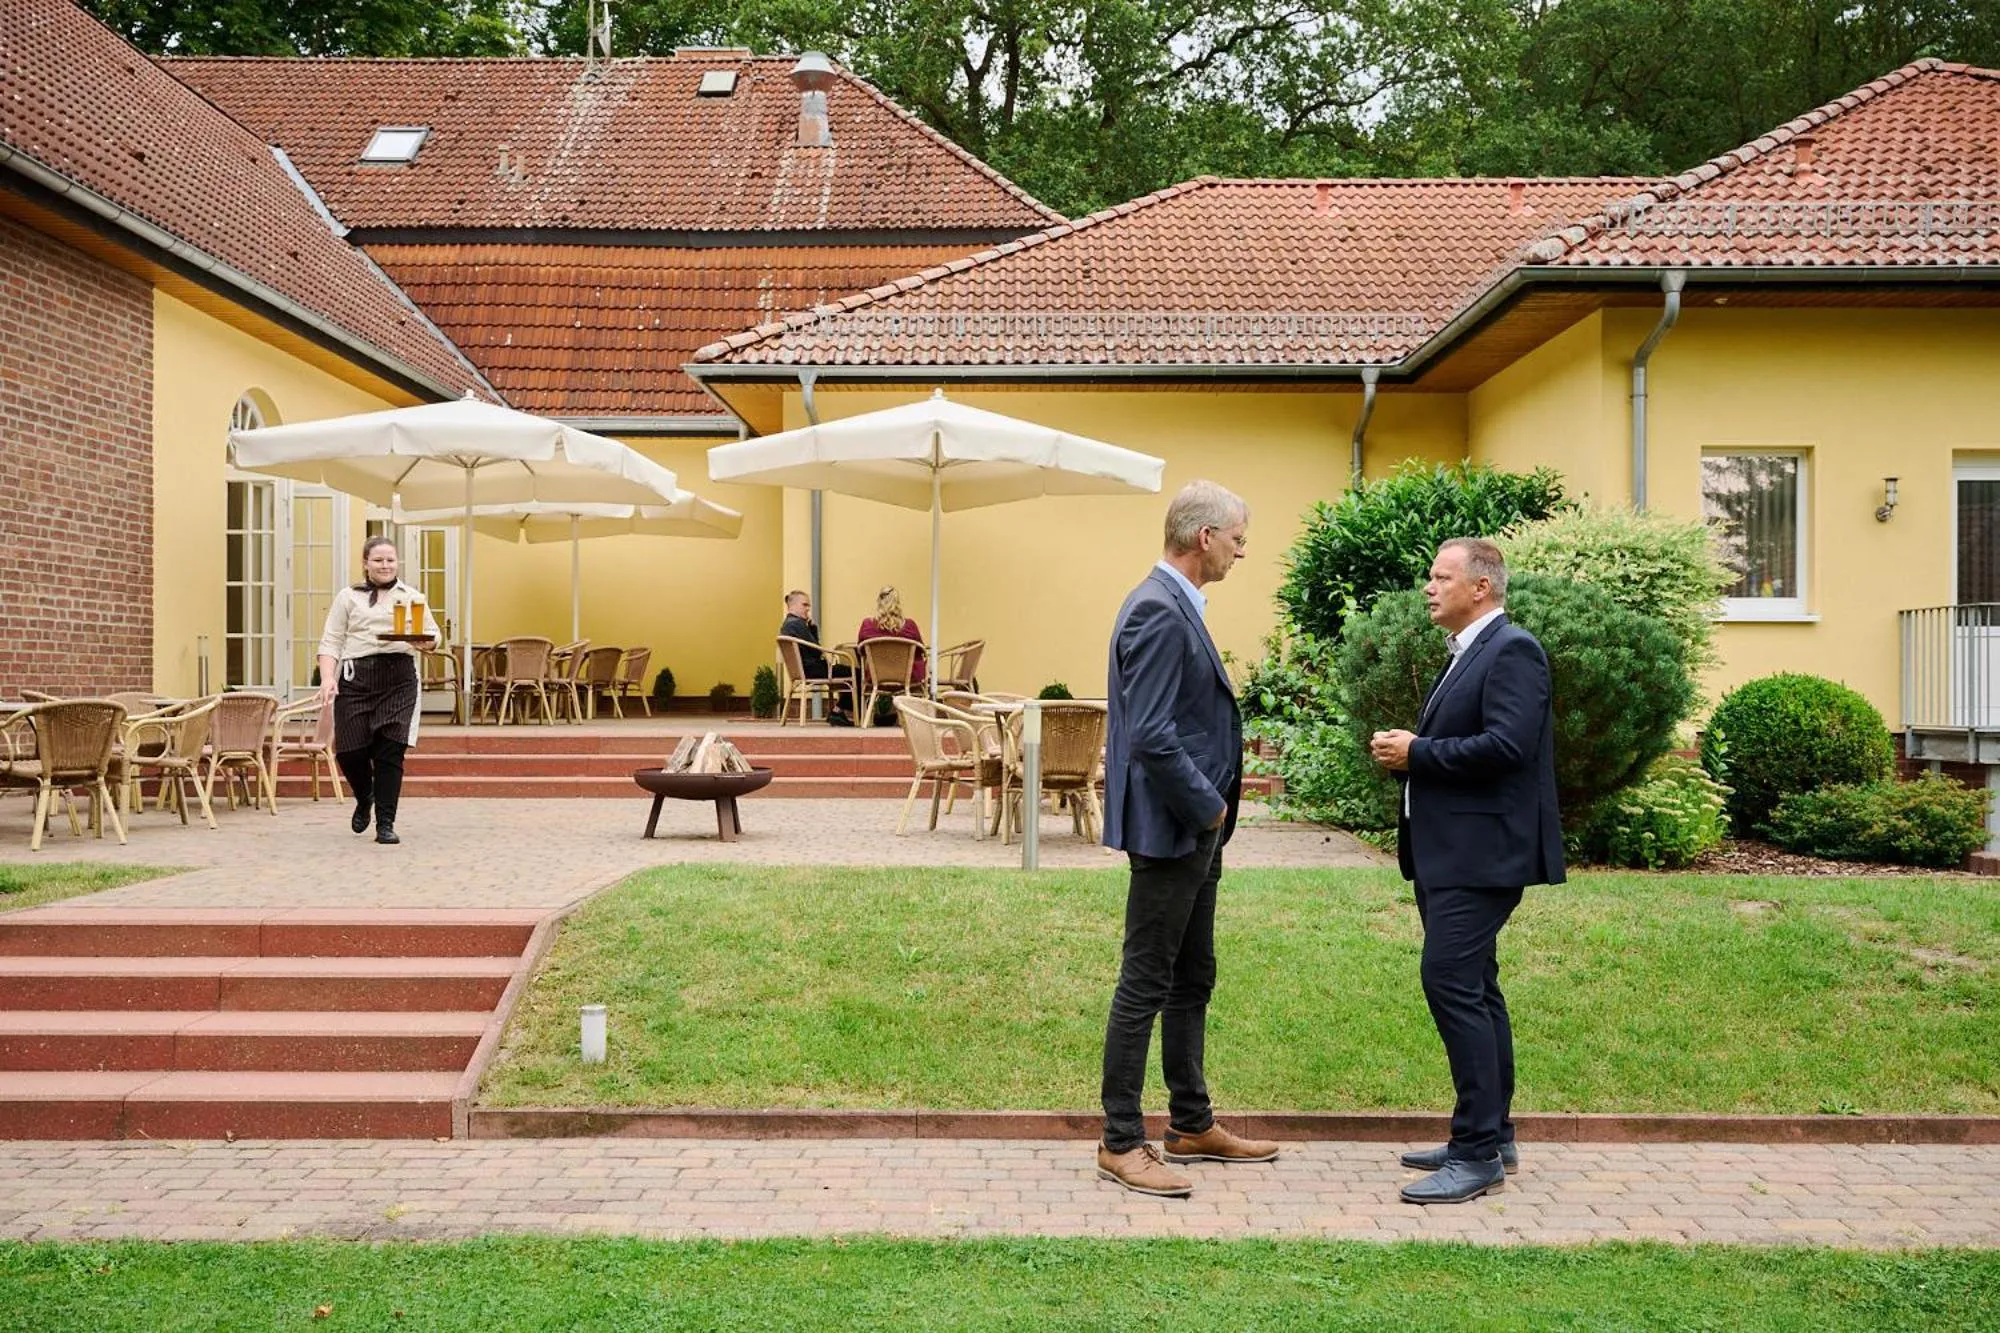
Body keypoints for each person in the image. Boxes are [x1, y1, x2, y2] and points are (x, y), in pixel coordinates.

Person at [1095, 479, 1279, 1198]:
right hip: (1175, 828)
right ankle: (1118, 1140)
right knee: (1145, 980)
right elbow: (1151, 737)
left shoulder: (1176, 605)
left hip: (1198, 831)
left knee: (1192, 975)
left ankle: (1191, 1121)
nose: (1242, 550)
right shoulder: (1157, 610)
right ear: (1204, 538)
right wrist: (1208, 809)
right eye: (1237, 538)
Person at [1368, 537, 1563, 1205]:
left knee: (1449, 977)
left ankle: (1477, 1152)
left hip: (1483, 856)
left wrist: (1419, 752)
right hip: (1447, 853)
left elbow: (1508, 747)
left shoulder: (1513, 650)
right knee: (1477, 985)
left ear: (1480, 587)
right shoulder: (1470, 652)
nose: (1429, 586)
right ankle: (1491, 1133)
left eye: (1441, 576)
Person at [318, 536, 433, 845]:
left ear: (398, 563)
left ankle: (386, 822)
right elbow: (331, 641)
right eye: (379, 560)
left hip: (398, 679)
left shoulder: (413, 597)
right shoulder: (348, 597)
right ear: (365, 563)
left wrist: (424, 642)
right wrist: (328, 678)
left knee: (389, 750)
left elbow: (433, 638)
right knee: (349, 750)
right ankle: (364, 795)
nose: (385, 565)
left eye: (390, 560)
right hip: (356, 678)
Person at [778, 590, 854, 725]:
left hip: (803, 670)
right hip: (813, 669)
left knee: (845, 672)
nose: (808, 609)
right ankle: (840, 711)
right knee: (856, 673)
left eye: (808, 606)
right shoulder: (797, 624)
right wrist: (813, 629)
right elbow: (816, 650)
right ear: (792, 606)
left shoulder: (788, 625)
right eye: (804, 605)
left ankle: (841, 711)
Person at [855, 586, 927, 690]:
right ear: (897, 603)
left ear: (879, 602)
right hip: (908, 680)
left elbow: (861, 652)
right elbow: (920, 651)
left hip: (876, 678)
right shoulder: (910, 626)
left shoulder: (867, 626)